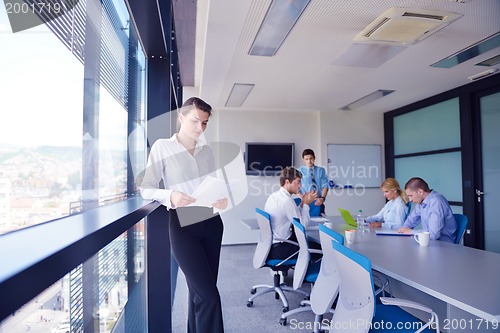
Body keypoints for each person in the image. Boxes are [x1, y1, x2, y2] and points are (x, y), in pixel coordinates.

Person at [140, 97, 228, 333]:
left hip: (211, 222)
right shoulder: (163, 147)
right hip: (182, 225)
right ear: (181, 117)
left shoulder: (206, 150)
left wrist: (222, 198)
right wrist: (171, 195)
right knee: (209, 296)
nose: (200, 128)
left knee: (199, 292)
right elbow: (146, 188)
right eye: (195, 121)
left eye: (205, 123)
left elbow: (212, 183)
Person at [264, 167, 320, 260]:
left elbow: (293, 214)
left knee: (311, 244)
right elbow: (302, 227)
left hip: (272, 245)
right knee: (319, 249)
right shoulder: (286, 201)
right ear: (287, 182)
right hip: (281, 248)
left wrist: (302, 202)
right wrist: (306, 204)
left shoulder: (274, 196)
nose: (300, 186)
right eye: (298, 182)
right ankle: (305, 274)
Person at [397, 177, 457, 243]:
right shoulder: (421, 202)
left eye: (411, 196)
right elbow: (411, 220)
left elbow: (433, 235)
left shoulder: (437, 202)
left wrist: (410, 232)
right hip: (429, 242)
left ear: (420, 191)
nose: (410, 200)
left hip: (444, 245)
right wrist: (403, 230)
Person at [298, 149, 329, 215]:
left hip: (318, 201)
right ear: (303, 159)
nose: (309, 161)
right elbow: (296, 185)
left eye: (311, 158)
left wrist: (322, 199)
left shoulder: (321, 170)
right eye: (306, 159)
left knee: (320, 222)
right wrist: (301, 197)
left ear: (314, 158)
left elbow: (325, 185)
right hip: (305, 202)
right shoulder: (299, 171)